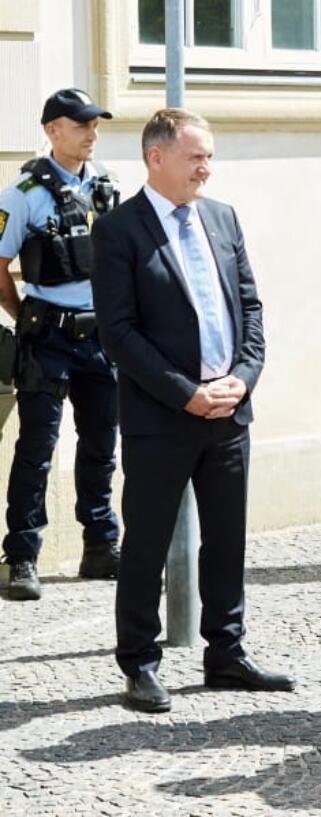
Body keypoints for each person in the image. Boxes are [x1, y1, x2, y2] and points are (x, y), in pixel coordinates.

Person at [91, 108, 294, 713]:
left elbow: (250, 309)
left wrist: (243, 378)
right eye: (196, 156)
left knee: (226, 541)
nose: (207, 166)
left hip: (229, 413)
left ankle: (225, 653)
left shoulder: (223, 218)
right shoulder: (120, 230)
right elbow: (118, 333)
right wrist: (185, 391)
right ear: (157, 157)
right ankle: (140, 663)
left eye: (209, 156)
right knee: (147, 543)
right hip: (163, 416)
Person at [0, 88, 122, 601]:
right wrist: (23, 314)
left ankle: (101, 546)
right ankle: (22, 556)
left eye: (94, 124)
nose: (91, 133)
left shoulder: (108, 186)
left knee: (101, 446)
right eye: (80, 125)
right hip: (48, 336)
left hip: (101, 339)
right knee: (37, 448)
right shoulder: (24, 192)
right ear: (52, 130)